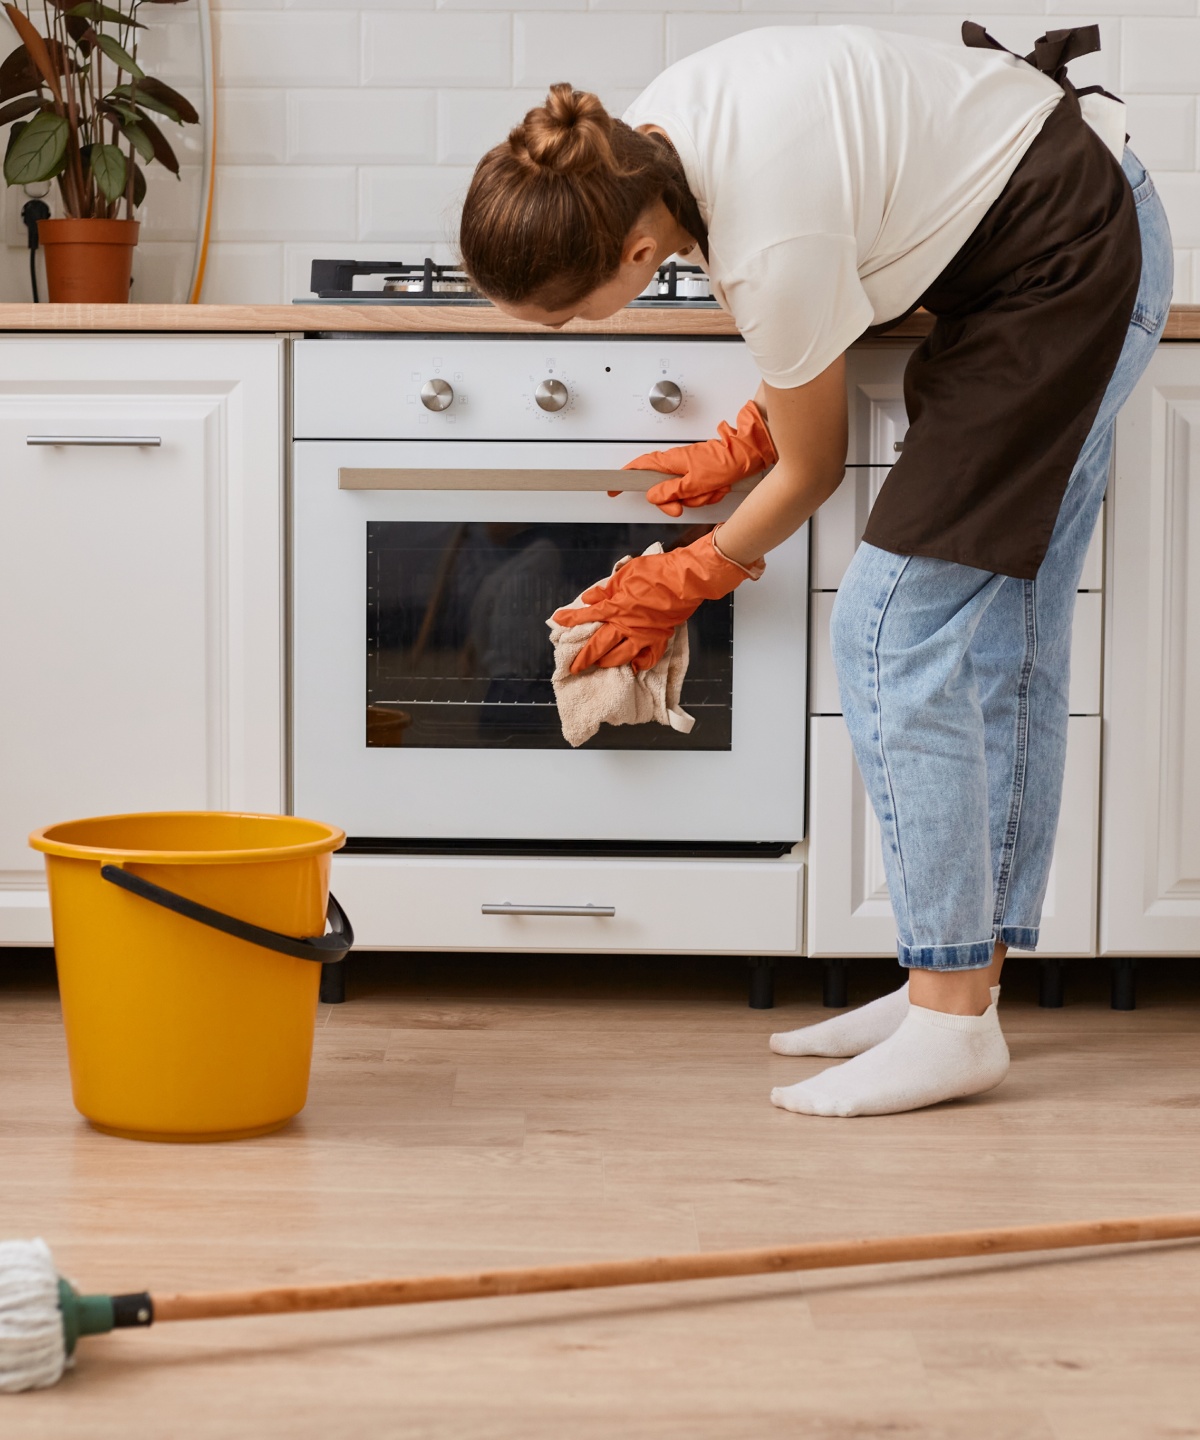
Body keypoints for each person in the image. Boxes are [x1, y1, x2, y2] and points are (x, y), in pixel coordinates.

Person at [457, 23, 1173, 1117]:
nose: (562, 331)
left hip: (1071, 261)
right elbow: (852, 249)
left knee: (887, 632)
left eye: (564, 313)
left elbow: (817, 467)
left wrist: (684, 577)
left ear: (635, 257)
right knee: (1003, 632)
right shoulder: (643, 147)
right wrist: (752, 432)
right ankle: (956, 984)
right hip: (1041, 238)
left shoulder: (755, 231)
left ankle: (948, 1020)